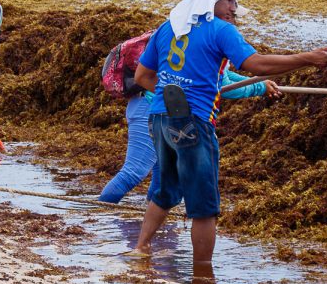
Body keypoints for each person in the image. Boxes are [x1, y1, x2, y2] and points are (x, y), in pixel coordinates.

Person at [132, 0, 327, 266]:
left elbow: (142, 76)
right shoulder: (220, 30)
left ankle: (140, 249)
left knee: (165, 189)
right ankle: (203, 280)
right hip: (193, 123)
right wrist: (308, 58)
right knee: (204, 207)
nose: (233, 7)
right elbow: (257, 63)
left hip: (160, 118)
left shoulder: (168, 28)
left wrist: (178, 91)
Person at [99, 40, 281, 205]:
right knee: (134, 172)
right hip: (149, 107)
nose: (233, 13)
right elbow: (224, 88)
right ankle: (98, 217)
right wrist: (259, 87)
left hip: (158, 107)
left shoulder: (200, 36)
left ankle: (151, 227)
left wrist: (261, 82)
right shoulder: (209, 40)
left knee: (163, 177)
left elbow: (224, 77)